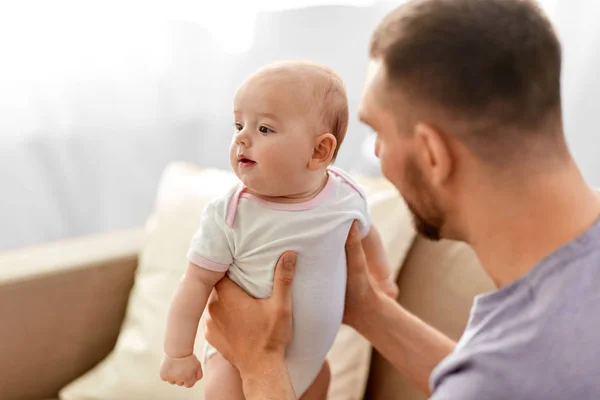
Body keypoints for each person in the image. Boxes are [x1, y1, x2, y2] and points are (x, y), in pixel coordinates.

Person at [203, 0, 600, 399]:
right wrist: (368, 309)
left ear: (432, 155)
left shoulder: (496, 378)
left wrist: (260, 363)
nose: (377, 153)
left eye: (380, 133)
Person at [159, 60, 398, 399]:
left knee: (321, 382)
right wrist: (178, 353)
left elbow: (366, 233)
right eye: (239, 124)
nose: (241, 137)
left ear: (319, 151)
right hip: (235, 363)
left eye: (264, 129)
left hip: (314, 363)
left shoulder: (346, 195)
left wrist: (382, 279)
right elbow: (195, 283)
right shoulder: (231, 213)